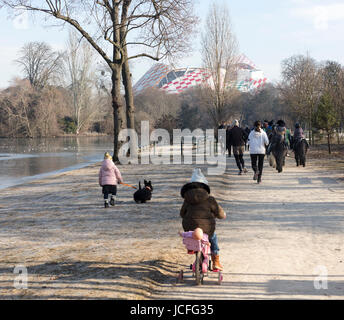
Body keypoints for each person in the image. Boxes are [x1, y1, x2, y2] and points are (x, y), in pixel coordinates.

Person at [180, 168, 226, 270]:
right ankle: (216, 261)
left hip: (190, 230)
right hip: (206, 230)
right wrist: (222, 216)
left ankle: (197, 256)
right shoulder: (210, 200)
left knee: (194, 240)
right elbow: (219, 213)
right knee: (213, 237)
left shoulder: (186, 200)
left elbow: (182, 214)